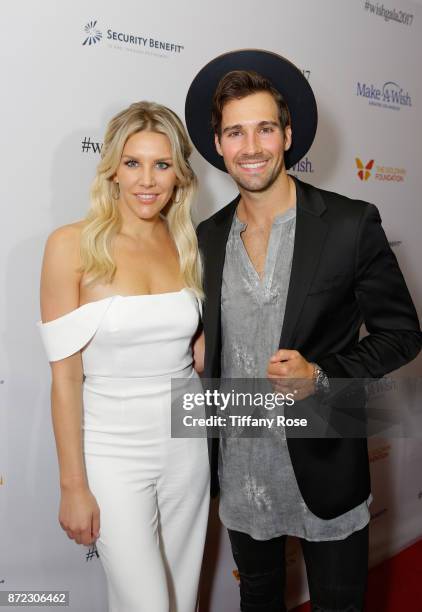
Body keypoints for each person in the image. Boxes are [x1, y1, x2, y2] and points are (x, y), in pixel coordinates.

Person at [184, 50, 422, 611]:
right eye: (235, 132)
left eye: (264, 128)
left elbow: (403, 333)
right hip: (241, 469)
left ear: (288, 135)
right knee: (260, 597)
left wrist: (322, 374)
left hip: (327, 460)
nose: (251, 147)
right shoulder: (205, 238)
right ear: (218, 144)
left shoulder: (349, 222)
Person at [37, 101, 210, 612]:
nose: (147, 181)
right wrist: (73, 485)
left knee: (180, 596)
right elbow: (65, 379)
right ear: (112, 168)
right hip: (112, 451)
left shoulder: (186, 243)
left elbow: (194, 346)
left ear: (179, 173)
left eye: (161, 165)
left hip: (188, 443)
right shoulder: (70, 246)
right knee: (148, 605)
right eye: (133, 163)